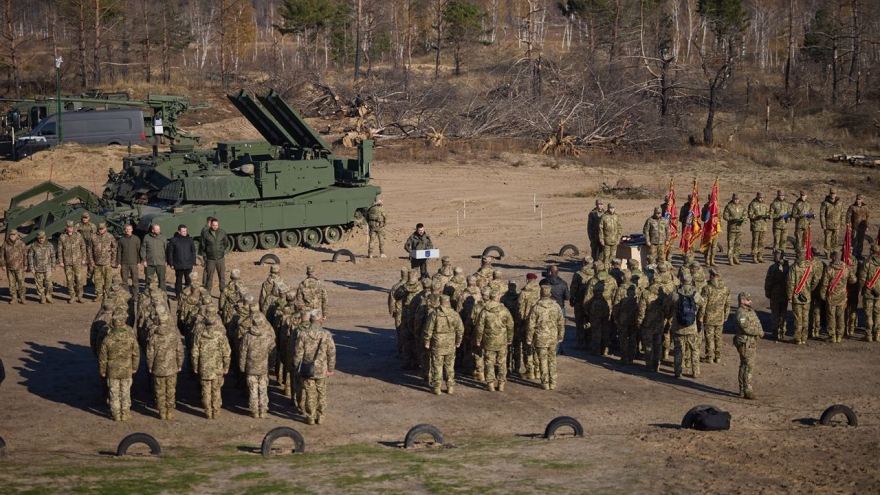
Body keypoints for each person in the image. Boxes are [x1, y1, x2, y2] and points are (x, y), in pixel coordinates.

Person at [293, 311, 337, 425]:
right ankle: (321, 416)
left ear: (310, 320)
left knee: (310, 394)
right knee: (321, 393)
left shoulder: (303, 334)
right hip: (321, 369)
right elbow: (331, 353)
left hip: (307, 369)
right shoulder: (326, 334)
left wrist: (297, 367)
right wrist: (331, 369)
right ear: (320, 320)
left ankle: (310, 417)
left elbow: (298, 353)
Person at [98, 314, 140, 421]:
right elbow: (136, 354)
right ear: (123, 322)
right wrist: (135, 367)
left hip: (112, 370)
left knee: (113, 392)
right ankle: (125, 413)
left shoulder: (108, 339)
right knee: (125, 392)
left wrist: (102, 370)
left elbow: (103, 357)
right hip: (127, 369)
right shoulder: (130, 338)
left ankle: (116, 414)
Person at [145, 312, 185, 420]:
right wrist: (180, 364)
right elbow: (180, 351)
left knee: (159, 391)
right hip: (172, 367)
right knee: (171, 390)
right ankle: (170, 411)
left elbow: (150, 354)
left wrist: (150, 365)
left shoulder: (154, 337)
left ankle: (162, 412)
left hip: (158, 368)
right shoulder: (174, 336)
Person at [192, 314, 232, 419]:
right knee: (216, 390)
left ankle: (208, 412)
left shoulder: (199, 335)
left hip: (204, 367)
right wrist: (226, 366)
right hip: (217, 367)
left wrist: (195, 366)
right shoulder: (221, 335)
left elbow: (194, 353)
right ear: (215, 322)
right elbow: (226, 352)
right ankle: (216, 411)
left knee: (205, 391)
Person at [474, 290, 514, 392]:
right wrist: (510, 339)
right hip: (502, 340)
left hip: (488, 340)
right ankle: (501, 384)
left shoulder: (484, 311)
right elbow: (510, 325)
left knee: (489, 362)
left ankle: (490, 384)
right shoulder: (504, 310)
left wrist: (478, 340)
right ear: (498, 298)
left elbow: (479, 328)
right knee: (501, 362)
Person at [424, 295, 464, 395]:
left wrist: (427, 342)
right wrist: (458, 341)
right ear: (449, 302)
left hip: (437, 342)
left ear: (440, 302)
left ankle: (437, 388)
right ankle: (450, 387)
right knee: (449, 366)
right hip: (450, 342)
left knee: (437, 365)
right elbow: (460, 329)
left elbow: (428, 330)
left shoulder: (434, 314)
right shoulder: (454, 314)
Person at [240, 312, 277, 418]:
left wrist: (242, 367)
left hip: (251, 367)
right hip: (264, 367)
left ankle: (254, 411)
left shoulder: (247, 336)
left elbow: (243, 352)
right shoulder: (268, 335)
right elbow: (273, 352)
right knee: (263, 389)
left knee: (253, 389)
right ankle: (263, 410)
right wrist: (271, 365)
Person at [527, 285, 565, 390]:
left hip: (540, 338)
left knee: (542, 360)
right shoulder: (556, 306)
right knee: (552, 359)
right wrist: (561, 336)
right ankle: (553, 382)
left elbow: (531, 325)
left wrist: (529, 338)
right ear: (550, 294)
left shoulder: (536, 307)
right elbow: (561, 322)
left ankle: (545, 383)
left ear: (540, 294)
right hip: (553, 337)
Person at [669, 273, 704, 378]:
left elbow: (666, 303)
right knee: (694, 349)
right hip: (691, 327)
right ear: (691, 282)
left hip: (678, 327)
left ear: (681, 281)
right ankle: (696, 372)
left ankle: (678, 372)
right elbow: (702, 303)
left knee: (678, 349)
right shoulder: (695, 294)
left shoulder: (675, 294)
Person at [583, 261, 618, 357]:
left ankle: (596, 350)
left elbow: (588, 297)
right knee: (606, 329)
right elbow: (615, 296)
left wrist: (586, 309)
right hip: (608, 306)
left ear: (596, 269)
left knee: (596, 329)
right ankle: (605, 350)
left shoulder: (593, 281)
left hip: (595, 307)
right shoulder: (612, 280)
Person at [638, 274, 671, 372]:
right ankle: (657, 365)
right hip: (659, 322)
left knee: (648, 344)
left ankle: (649, 365)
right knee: (658, 344)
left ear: (652, 281)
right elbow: (667, 309)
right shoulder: (664, 294)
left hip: (647, 323)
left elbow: (641, 310)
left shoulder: (646, 293)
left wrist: (639, 322)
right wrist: (665, 319)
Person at [787, 250, 820, 345]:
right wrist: (810, 289)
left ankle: (797, 338)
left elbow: (790, 282)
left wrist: (789, 296)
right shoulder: (810, 266)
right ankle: (804, 337)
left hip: (796, 296)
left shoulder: (794, 267)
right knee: (805, 318)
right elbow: (816, 279)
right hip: (807, 296)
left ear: (797, 254)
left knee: (798, 318)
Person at [821, 251, 855, 343]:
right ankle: (839, 335)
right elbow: (853, 280)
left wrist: (823, 294)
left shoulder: (829, 269)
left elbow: (825, 284)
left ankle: (832, 336)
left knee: (831, 316)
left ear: (833, 257)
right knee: (840, 316)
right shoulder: (846, 268)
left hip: (831, 296)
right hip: (842, 296)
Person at [733, 292, 762, 400]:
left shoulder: (750, 311)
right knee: (748, 366)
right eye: (748, 299)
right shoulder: (741, 313)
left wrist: (760, 330)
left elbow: (757, 322)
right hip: (745, 343)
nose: (751, 301)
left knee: (745, 365)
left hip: (751, 342)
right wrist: (758, 332)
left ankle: (742, 389)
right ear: (742, 301)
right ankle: (747, 389)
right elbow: (746, 328)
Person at [701, 269, 730, 363]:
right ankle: (718, 357)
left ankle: (709, 357)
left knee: (709, 338)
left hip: (709, 317)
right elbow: (728, 304)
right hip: (720, 317)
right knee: (718, 337)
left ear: (713, 276)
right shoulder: (725, 288)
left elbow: (703, 304)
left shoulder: (707, 288)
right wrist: (726, 315)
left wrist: (700, 316)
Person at [514, 273, 540, 377]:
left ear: (527, 280)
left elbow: (520, 309)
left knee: (527, 347)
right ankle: (537, 370)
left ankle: (530, 371)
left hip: (527, 322)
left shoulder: (524, 293)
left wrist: (519, 323)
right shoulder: (540, 291)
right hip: (539, 324)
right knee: (536, 347)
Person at [57, 220, 88, 303]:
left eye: (71, 227)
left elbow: (83, 247)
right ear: (66, 227)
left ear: (73, 227)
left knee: (79, 279)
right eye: (68, 227)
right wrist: (61, 261)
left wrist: (84, 258)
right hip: (67, 262)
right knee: (69, 280)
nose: (70, 228)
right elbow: (59, 250)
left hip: (77, 261)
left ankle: (80, 296)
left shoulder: (78, 235)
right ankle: (72, 296)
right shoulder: (62, 237)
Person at [201, 218, 231, 294]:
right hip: (210, 259)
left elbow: (226, 243)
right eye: (214, 225)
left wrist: (222, 251)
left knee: (222, 276)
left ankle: (222, 293)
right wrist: (206, 255)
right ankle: (208, 293)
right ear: (210, 224)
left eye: (216, 225)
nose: (215, 227)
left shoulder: (222, 232)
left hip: (220, 258)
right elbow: (203, 246)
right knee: (209, 277)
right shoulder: (206, 234)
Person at [166, 224, 196, 300]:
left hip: (188, 264)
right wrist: (171, 263)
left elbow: (193, 251)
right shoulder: (174, 240)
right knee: (178, 280)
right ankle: (178, 295)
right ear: (179, 231)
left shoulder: (190, 240)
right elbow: (170, 252)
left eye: (186, 231)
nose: (185, 232)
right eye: (183, 231)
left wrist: (193, 262)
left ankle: (188, 295)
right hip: (178, 264)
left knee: (188, 280)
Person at [89, 222, 117, 301]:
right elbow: (89, 249)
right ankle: (99, 295)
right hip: (96, 263)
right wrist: (91, 261)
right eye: (100, 229)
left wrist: (113, 261)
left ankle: (107, 294)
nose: (101, 230)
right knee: (97, 280)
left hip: (107, 262)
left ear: (105, 228)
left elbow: (114, 248)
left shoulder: (110, 236)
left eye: (102, 229)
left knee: (108, 279)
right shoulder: (93, 236)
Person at [569, 257, 593, 350]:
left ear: (584, 263)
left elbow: (573, 288)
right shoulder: (595, 274)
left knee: (579, 321)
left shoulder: (578, 274)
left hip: (579, 300)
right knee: (589, 320)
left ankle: (580, 342)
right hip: (590, 301)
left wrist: (572, 298)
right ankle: (588, 340)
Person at [764, 250, 789, 340]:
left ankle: (775, 332)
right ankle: (782, 331)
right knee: (783, 313)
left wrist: (767, 293)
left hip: (775, 293)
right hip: (785, 293)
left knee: (775, 313)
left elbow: (768, 282)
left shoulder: (773, 268)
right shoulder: (788, 267)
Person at [27, 230, 56, 303]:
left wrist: (53, 267)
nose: (41, 239)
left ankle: (48, 296)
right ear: (37, 238)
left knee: (49, 283)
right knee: (39, 284)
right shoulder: (33, 246)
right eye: (40, 238)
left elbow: (53, 256)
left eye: (42, 238)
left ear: (45, 237)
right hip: (37, 268)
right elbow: (30, 257)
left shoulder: (49, 245)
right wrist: (32, 268)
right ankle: (42, 297)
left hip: (47, 268)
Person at [859, 243, 880, 341]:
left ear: (871, 251)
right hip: (879, 293)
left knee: (868, 314)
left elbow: (862, 278)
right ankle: (877, 334)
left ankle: (868, 335)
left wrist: (860, 289)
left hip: (869, 291)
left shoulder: (867, 263)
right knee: (877, 313)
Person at [0, 230, 28, 304]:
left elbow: (25, 255)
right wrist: (2, 265)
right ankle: (14, 298)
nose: (12, 236)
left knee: (21, 283)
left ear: (17, 235)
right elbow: (2, 255)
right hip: (9, 267)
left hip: (19, 267)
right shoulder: (5, 244)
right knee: (11, 284)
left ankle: (22, 298)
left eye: (14, 234)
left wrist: (25, 265)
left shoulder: (21, 244)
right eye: (11, 234)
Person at [140, 224, 168, 291]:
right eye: (157, 230)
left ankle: (164, 297)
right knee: (148, 281)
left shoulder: (163, 237)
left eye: (159, 229)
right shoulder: (147, 237)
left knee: (162, 281)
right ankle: (147, 296)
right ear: (152, 230)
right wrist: (144, 260)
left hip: (161, 262)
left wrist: (166, 260)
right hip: (149, 263)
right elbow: (143, 249)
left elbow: (166, 250)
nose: (159, 231)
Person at [116, 224, 141, 297]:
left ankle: (135, 294)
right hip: (124, 263)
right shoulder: (121, 239)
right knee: (124, 280)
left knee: (135, 280)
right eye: (126, 229)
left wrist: (139, 261)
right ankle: (126, 295)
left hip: (134, 262)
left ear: (132, 230)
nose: (127, 230)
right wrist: (119, 262)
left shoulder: (136, 239)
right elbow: (119, 252)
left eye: (129, 229)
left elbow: (139, 251)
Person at [722, 193, 746, 265]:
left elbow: (745, 215)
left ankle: (736, 258)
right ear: (732, 199)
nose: (736, 200)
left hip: (739, 228)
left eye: (737, 199)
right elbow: (725, 216)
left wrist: (743, 219)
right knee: (731, 244)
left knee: (738, 244)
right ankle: (730, 259)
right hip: (731, 228)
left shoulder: (742, 207)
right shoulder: (729, 207)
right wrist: (732, 219)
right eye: (735, 199)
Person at [819, 189, 843, 257]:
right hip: (828, 225)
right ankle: (827, 254)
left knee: (835, 240)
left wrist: (842, 223)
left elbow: (842, 213)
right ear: (829, 194)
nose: (832, 195)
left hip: (837, 225)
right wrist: (823, 224)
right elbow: (822, 214)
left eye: (834, 193)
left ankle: (834, 254)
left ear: (836, 194)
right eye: (831, 193)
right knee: (827, 240)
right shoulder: (825, 203)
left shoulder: (839, 202)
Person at [747, 192, 770, 263]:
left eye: (762, 198)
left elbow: (768, 213)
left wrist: (767, 215)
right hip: (756, 226)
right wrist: (756, 216)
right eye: (760, 197)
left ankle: (760, 256)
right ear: (757, 197)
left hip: (763, 226)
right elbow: (750, 215)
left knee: (762, 242)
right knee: (755, 241)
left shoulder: (765, 205)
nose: (761, 199)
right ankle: (754, 256)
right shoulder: (753, 204)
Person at [76, 211, 97, 283]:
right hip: (80, 247)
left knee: (91, 265)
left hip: (89, 247)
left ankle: (89, 280)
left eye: (86, 218)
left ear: (89, 218)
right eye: (83, 218)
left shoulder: (92, 226)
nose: (84, 219)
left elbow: (95, 236)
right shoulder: (78, 226)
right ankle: (77, 282)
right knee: (78, 265)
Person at [847, 194, 870, 259]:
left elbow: (867, 216)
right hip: (854, 227)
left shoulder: (865, 207)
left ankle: (859, 254)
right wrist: (849, 226)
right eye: (857, 199)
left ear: (862, 200)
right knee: (854, 241)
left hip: (862, 227)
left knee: (861, 241)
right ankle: (853, 254)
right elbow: (848, 217)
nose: (858, 201)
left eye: (859, 199)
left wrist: (867, 225)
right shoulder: (852, 207)